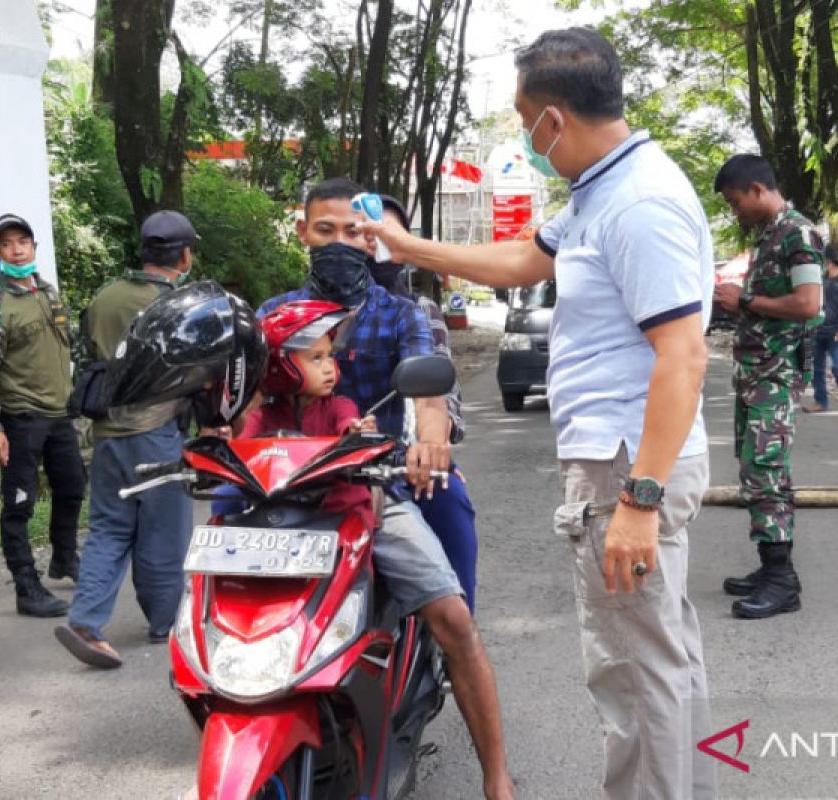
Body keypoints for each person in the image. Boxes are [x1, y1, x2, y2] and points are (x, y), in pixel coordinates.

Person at [364, 28, 715, 799]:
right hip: (626, 456)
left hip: (628, 463)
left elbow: (684, 356)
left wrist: (639, 502)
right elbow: (525, 260)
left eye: (525, 118)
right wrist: (406, 246)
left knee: (634, 676)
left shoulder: (641, 202)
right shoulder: (600, 189)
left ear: (554, 117)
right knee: (661, 658)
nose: (524, 136)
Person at [260, 177, 515, 800]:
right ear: (303, 233)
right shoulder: (272, 317)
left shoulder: (401, 313)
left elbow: (429, 395)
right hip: (280, 488)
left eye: (354, 232)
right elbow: (234, 398)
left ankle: (496, 775)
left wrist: (430, 442)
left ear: (373, 239)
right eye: (326, 231)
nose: (340, 244)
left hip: (381, 481)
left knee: (452, 612)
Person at [54, 211, 198, 669]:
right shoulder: (179, 304)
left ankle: (85, 622)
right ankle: (165, 623)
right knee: (163, 531)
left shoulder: (103, 298)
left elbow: (89, 358)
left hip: (108, 436)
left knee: (109, 528)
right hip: (156, 434)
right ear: (185, 255)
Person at [714, 154, 824, 620]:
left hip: (775, 378)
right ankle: (769, 564)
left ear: (758, 189)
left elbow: (808, 303)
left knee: (767, 470)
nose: (735, 212)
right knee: (754, 470)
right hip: (757, 375)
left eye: (736, 202)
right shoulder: (769, 236)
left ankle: (782, 581)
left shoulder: (798, 233)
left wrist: (745, 299)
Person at [0, 214, 86, 618]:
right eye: (8, 244)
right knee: (19, 504)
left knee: (72, 487)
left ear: (35, 247)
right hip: (21, 419)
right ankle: (26, 586)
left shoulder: (48, 294)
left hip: (58, 416)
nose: (17, 249)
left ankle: (65, 557)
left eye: (24, 242)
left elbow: (70, 347)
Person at [373, 194, 480, 612]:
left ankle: (459, 644)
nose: (375, 248)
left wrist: (432, 446)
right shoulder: (302, 310)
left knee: (447, 496)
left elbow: (439, 397)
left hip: (399, 464)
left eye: (388, 238)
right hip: (318, 467)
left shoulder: (419, 311)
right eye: (364, 236)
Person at [226, 300, 377, 525]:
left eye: (330, 356)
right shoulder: (264, 415)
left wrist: (357, 432)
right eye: (316, 358)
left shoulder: (339, 406)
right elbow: (241, 450)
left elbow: (348, 423)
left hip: (342, 514)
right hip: (281, 516)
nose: (328, 368)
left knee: (420, 559)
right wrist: (223, 448)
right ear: (280, 365)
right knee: (226, 501)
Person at [803, 245, 838, 413]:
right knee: (816, 368)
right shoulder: (820, 280)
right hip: (818, 329)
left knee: (837, 366)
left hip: (835, 331)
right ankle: (820, 402)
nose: (823, 263)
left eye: (825, 261)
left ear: (830, 262)